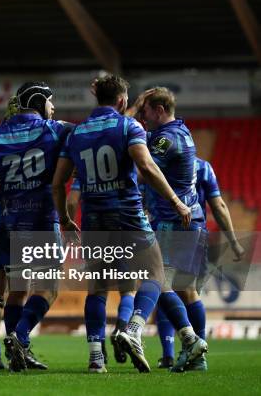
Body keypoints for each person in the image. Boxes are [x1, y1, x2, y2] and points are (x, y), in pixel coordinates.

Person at [52, 75, 194, 373]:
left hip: (93, 218)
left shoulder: (76, 133)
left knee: (98, 289)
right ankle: (133, 329)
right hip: (128, 215)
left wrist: (64, 219)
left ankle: (95, 358)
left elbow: (58, 183)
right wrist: (176, 201)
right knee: (155, 275)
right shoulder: (130, 126)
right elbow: (146, 165)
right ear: (121, 101)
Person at [0, 81, 71, 372]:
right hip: (41, 221)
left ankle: (13, 353)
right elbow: (89, 135)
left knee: (16, 290)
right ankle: (19, 337)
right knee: (48, 288)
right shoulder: (54, 129)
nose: (53, 107)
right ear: (38, 102)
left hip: (9, 223)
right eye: (50, 101)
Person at [125, 86, 209, 373]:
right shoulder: (174, 132)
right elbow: (124, 131)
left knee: (157, 280)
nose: (143, 117)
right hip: (185, 220)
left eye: (146, 111)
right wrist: (136, 106)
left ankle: (136, 329)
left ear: (159, 110)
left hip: (176, 222)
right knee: (186, 291)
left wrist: (132, 110)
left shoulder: (166, 139)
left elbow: (141, 169)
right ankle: (197, 353)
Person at [155, 157, 245, 370]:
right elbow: (218, 204)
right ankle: (197, 355)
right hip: (196, 234)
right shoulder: (204, 167)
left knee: (163, 288)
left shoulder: (156, 163)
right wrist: (232, 241)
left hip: (166, 230)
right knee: (186, 291)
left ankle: (174, 353)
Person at [67, 177, 135, 365]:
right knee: (127, 288)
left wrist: (68, 226)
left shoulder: (85, 161)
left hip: (93, 225)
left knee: (97, 290)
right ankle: (121, 328)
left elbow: (72, 201)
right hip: (122, 223)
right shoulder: (125, 154)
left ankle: (96, 353)